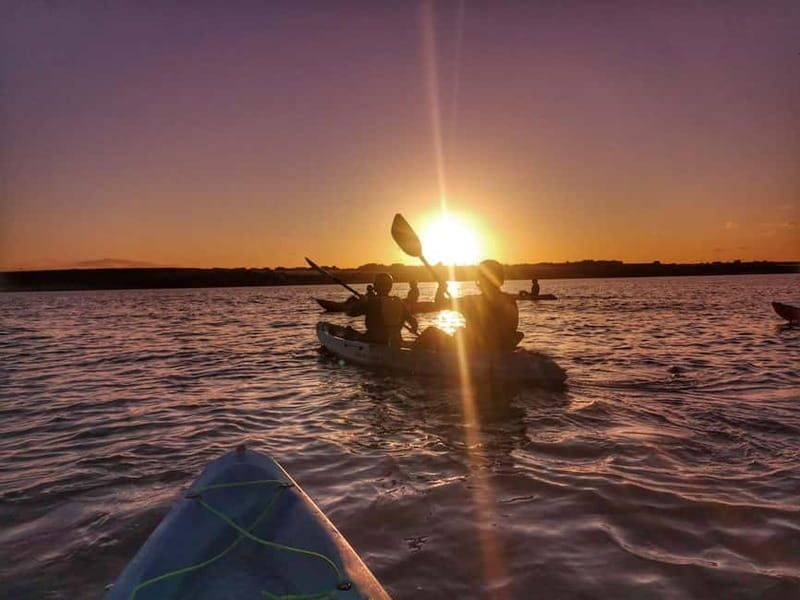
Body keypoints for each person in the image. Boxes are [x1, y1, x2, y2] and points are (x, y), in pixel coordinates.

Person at [415, 259, 521, 353]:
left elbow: (439, 304)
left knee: (431, 333)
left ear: (480, 279)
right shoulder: (510, 301)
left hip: (474, 352)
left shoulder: (472, 302)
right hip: (499, 350)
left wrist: (441, 288)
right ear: (500, 280)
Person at [346, 273, 418, 347]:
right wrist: (414, 328)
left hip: (375, 341)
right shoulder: (398, 301)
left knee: (349, 333)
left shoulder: (371, 302)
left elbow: (351, 313)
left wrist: (360, 302)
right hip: (396, 342)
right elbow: (413, 322)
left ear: (375, 286)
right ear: (390, 286)